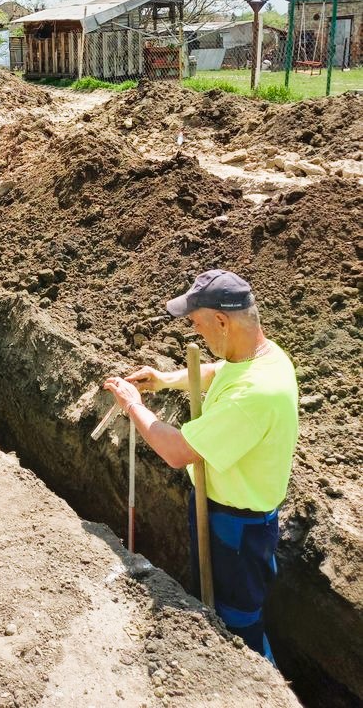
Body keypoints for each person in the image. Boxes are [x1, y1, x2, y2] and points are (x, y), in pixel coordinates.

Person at [103, 270, 298, 664]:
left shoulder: (256, 395)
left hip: (238, 529)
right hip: (224, 514)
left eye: (197, 323)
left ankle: (260, 687)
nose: (195, 332)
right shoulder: (262, 356)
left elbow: (177, 451)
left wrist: (134, 405)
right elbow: (217, 372)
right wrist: (162, 381)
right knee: (219, 609)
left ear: (223, 322)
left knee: (239, 623)